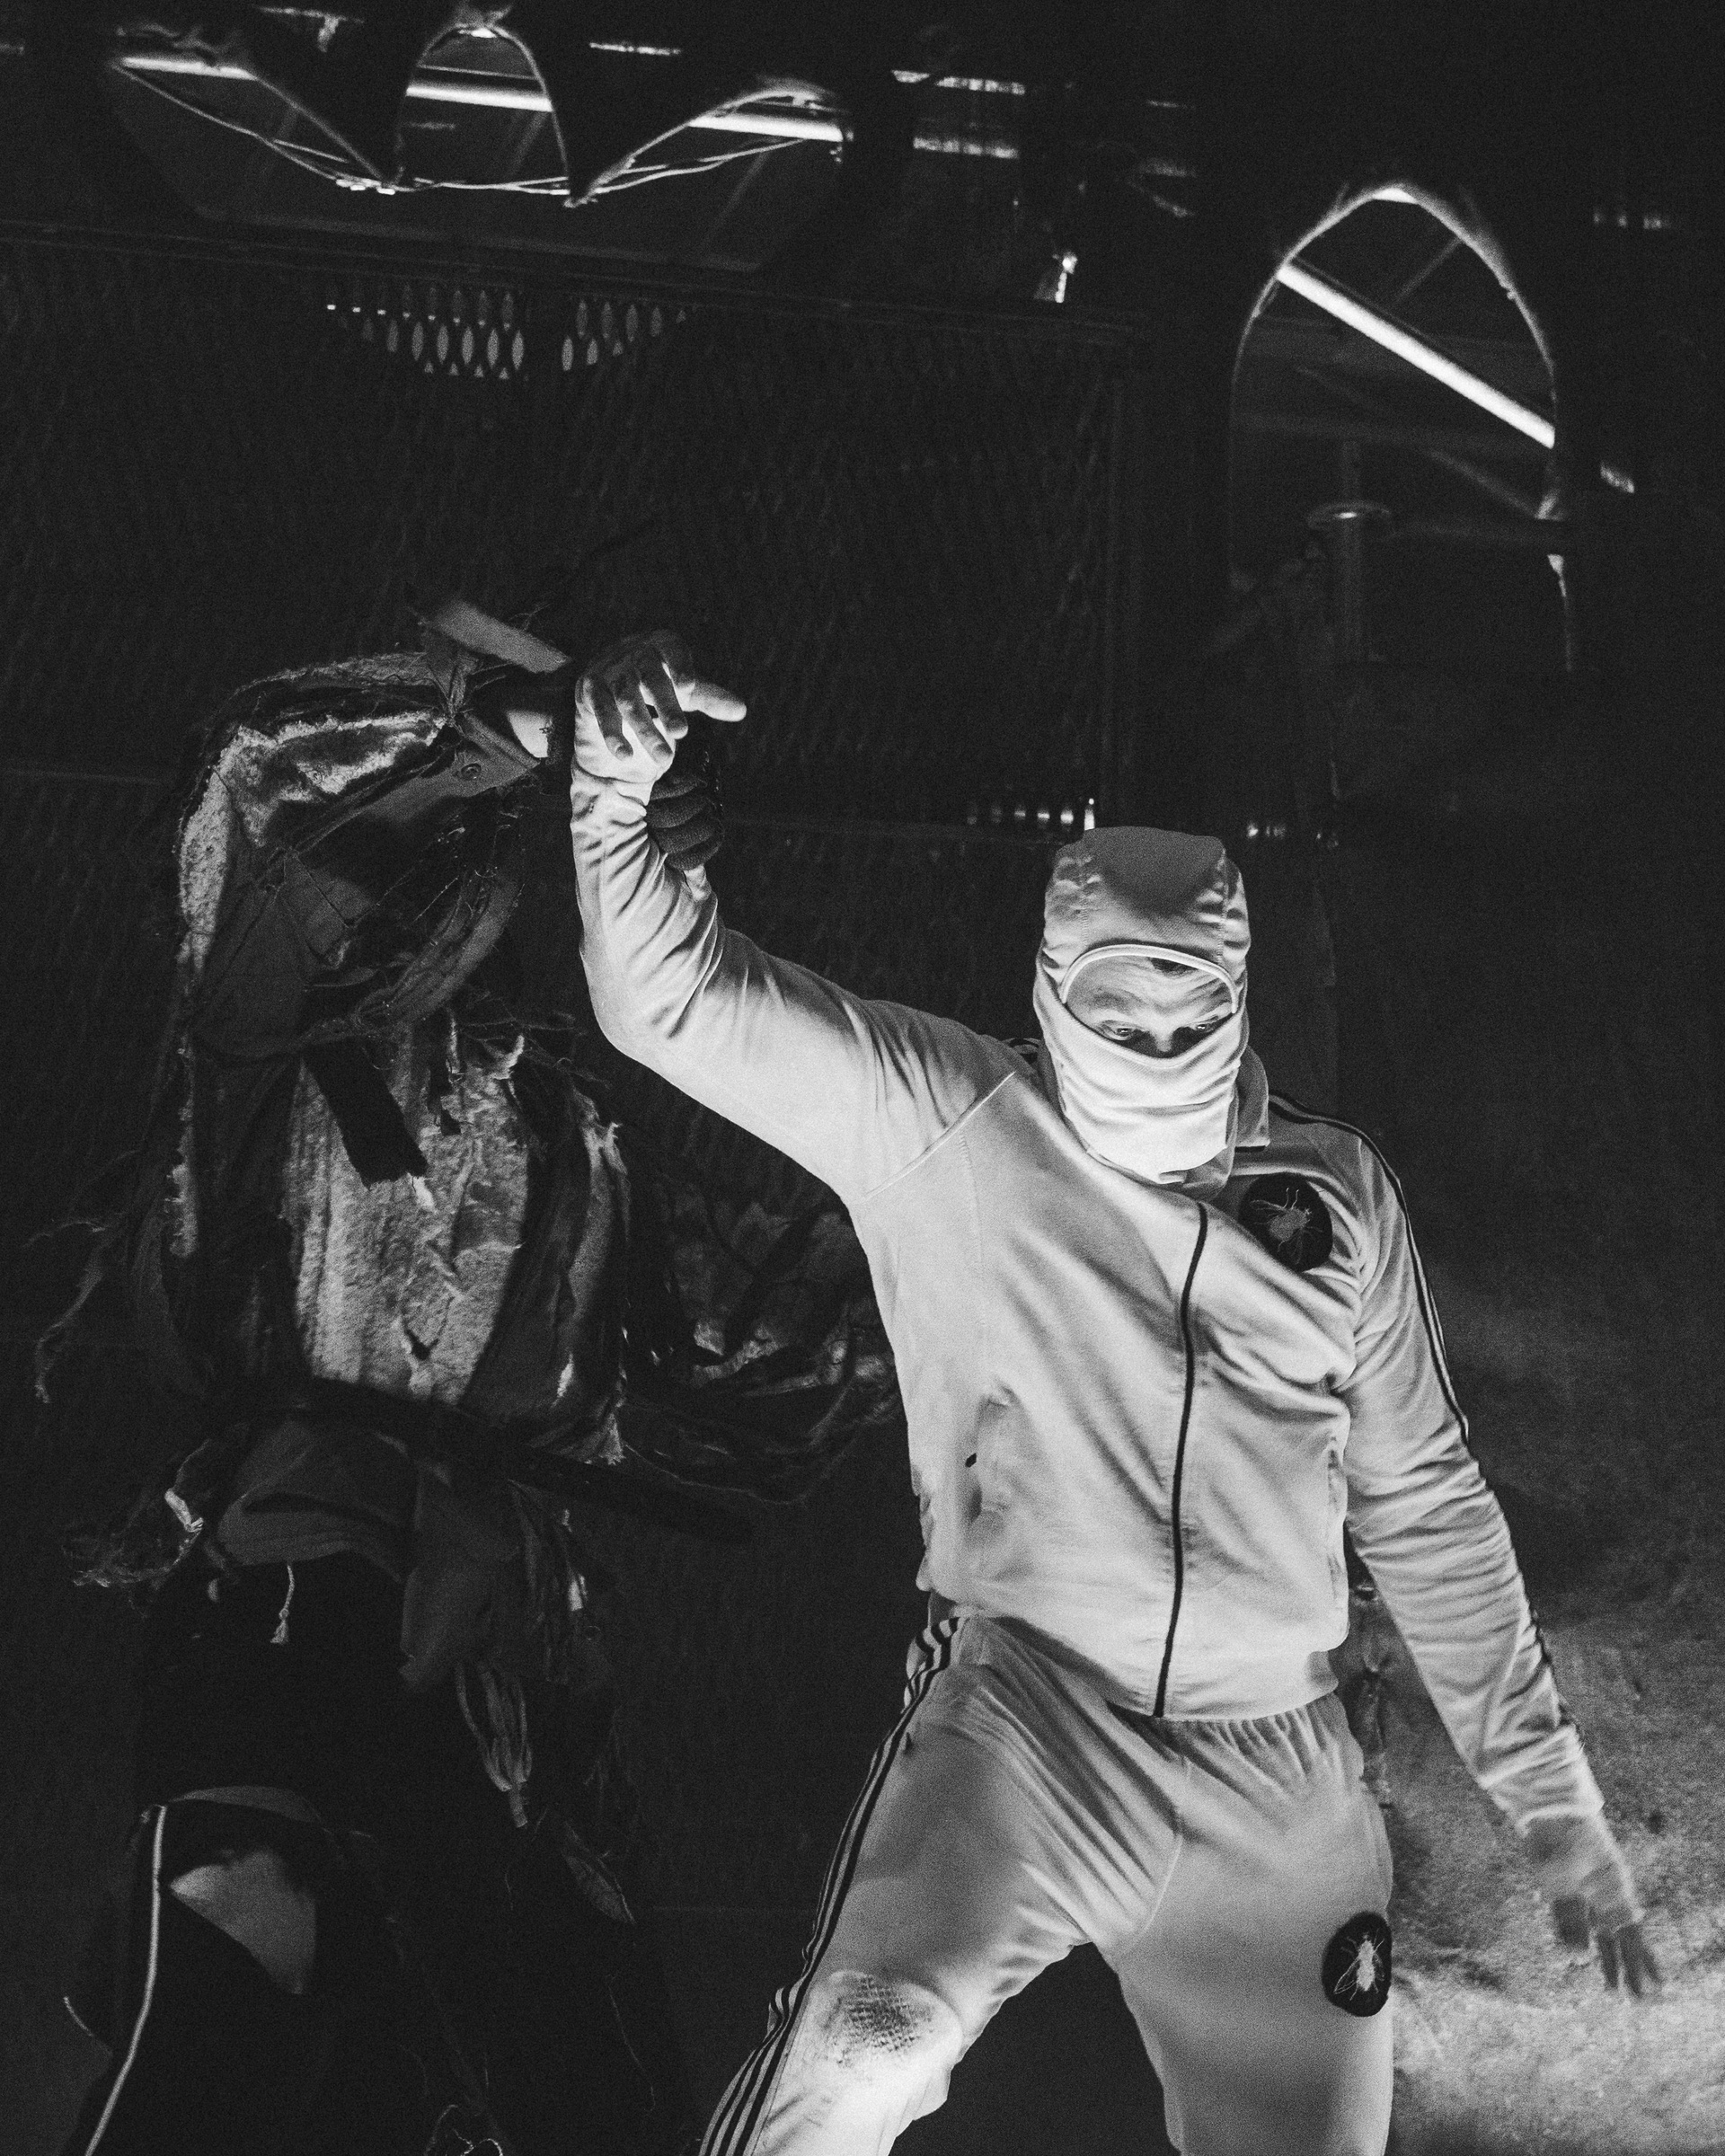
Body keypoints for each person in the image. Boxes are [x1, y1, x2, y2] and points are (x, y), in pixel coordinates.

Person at [566, 631, 1660, 2156]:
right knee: (867, 2041)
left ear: (1238, 998)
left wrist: (1550, 1798)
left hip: (1279, 1780)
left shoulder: (1332, 1199)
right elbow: (674, 1002)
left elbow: (1424, 1498)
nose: (1153, 1051)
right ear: (1050, 989)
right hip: (1031, 1717)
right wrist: (610, 792)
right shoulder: (952, 1121)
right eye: (1117, 1019)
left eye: (1187, 1021)